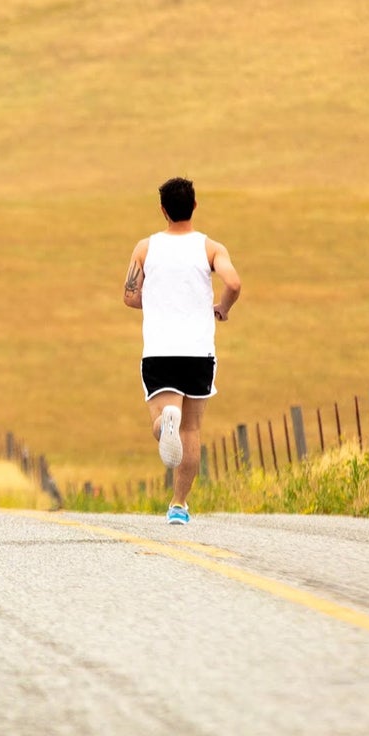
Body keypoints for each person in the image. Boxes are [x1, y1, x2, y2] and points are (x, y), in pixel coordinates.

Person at [122, 177, 241, 526]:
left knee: (161, 422)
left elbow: (130, 295)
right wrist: (223, 307)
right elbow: (233, 283)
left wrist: (158, 300)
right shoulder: (211, 248)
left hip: (160, 350)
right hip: (198, 351)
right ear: (195, 206)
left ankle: (164, 424)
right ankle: (178, 505)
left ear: (163, 210)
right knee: (191, 431)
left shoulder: (145, 248)